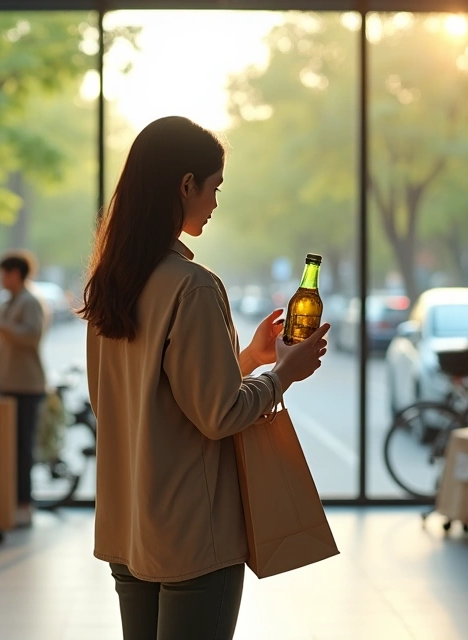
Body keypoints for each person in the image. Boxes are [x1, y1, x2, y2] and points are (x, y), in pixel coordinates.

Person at [79, 116, 330, 640]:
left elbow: (141, 396)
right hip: (194, 531)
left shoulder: (111, 283)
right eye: (214, 188)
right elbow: (218, 417)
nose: (215, 204)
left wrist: (248, 361)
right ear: (185, 184)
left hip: (130, 522)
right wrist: (285, 372)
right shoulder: (192, 286)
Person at [0, 250, 50, 528]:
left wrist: (1, 327)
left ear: (15, 274)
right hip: (8, 383)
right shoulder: (7, 302)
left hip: (26, 385)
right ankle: (10, 501)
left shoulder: (31, 301)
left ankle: (25, 503)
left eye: (4, 273)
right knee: (8, 447)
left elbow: (31, 337)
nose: (0, 278)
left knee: (23, 448)